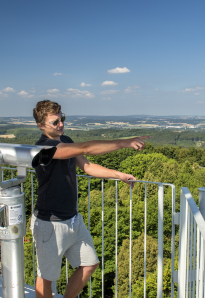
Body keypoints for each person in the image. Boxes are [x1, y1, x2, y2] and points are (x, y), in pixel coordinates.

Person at [32, 100, 149, 298]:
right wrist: (124, 142)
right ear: (41, 126)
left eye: (62, 119)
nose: (61, 124)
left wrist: (118, 174)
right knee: (47, 276)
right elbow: (85, 148)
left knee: (89, 264)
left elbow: (87, 166)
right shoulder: (43, 148)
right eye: (54, 122)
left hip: (73, 219)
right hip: (49, 223)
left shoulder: (66, 140)